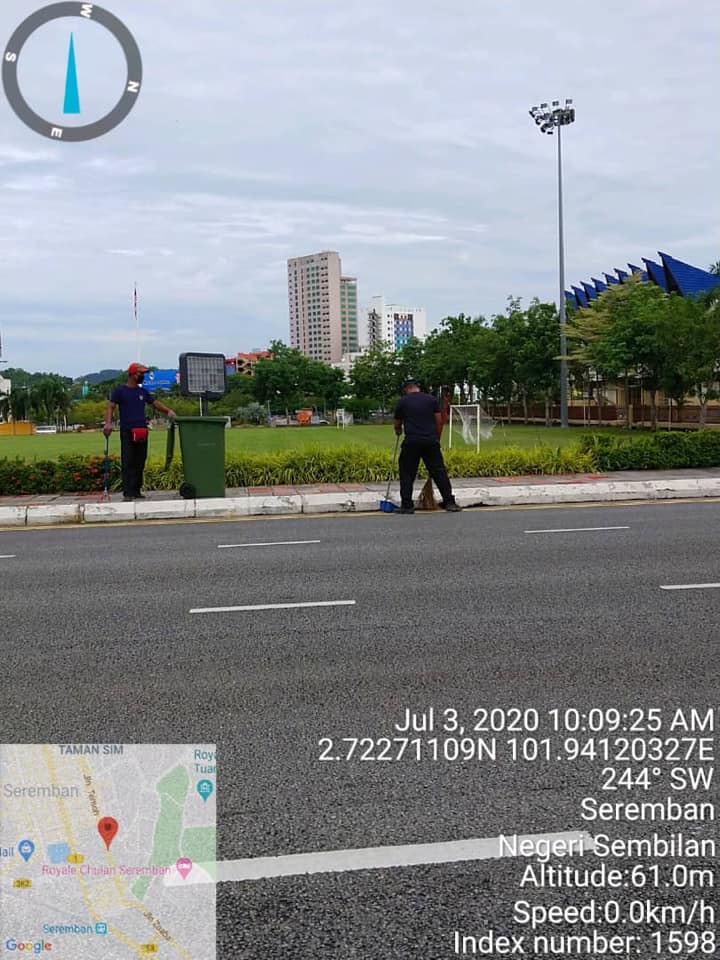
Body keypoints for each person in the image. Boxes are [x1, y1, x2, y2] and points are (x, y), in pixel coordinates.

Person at [104, 363, 176, 501]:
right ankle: (128, 492)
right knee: (128, 461)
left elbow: (155, 403)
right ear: (132, 374)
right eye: (140, 373)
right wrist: (108, 423)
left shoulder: (142, 392)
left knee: (140, 461)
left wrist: (168, 411)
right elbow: (111, 407)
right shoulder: (120, 391)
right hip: (127, 430)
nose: (142, 376)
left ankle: (136, 490)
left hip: (142, 430)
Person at [393, 378, 461, 514]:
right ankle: (450, 502)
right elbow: (438, 421)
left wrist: (398, 431)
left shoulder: (403, 401)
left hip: (412, 441)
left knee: (407, 472)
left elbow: (397, 423)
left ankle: (407, 505)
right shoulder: (431, 400)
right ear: (418, 388)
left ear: (407, 388)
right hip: (430, 441)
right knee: (439, 472)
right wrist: (435, 437)